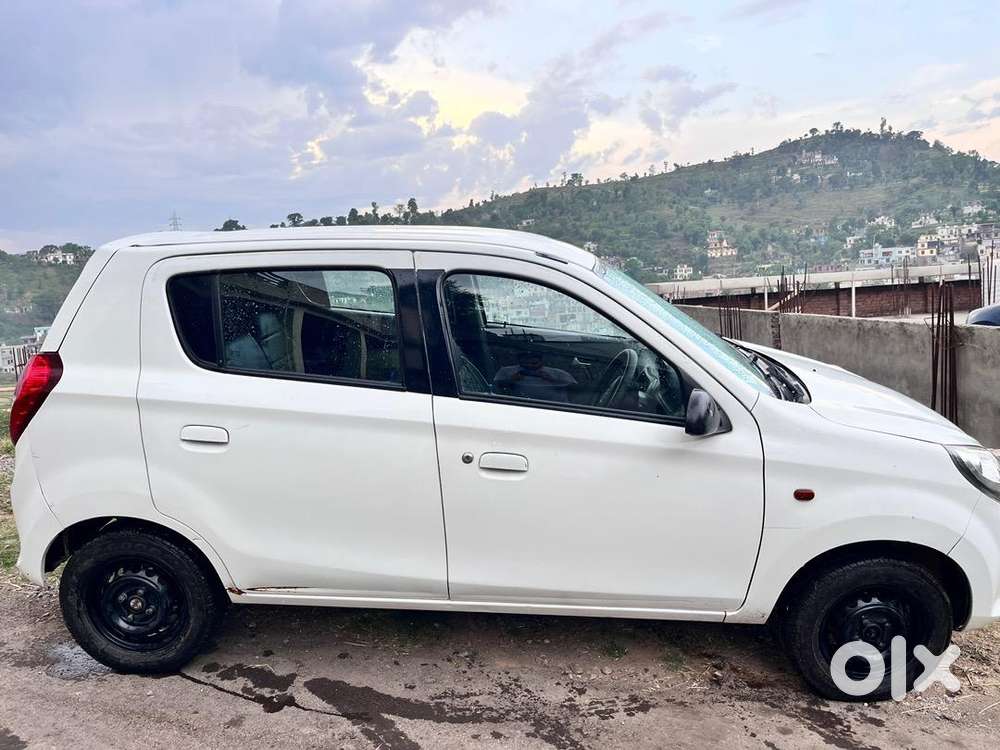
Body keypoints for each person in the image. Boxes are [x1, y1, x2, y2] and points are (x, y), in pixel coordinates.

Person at [493, 351, 577, 402]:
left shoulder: (559, 373)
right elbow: (494, 388)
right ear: (519, 361)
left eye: (534, 363)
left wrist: (551, 380)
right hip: (515, 406)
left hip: (557, 408)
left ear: (541, 361)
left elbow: (575, 390)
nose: (530, 366)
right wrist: (511, 381)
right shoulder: (506, 371)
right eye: (525, 363)